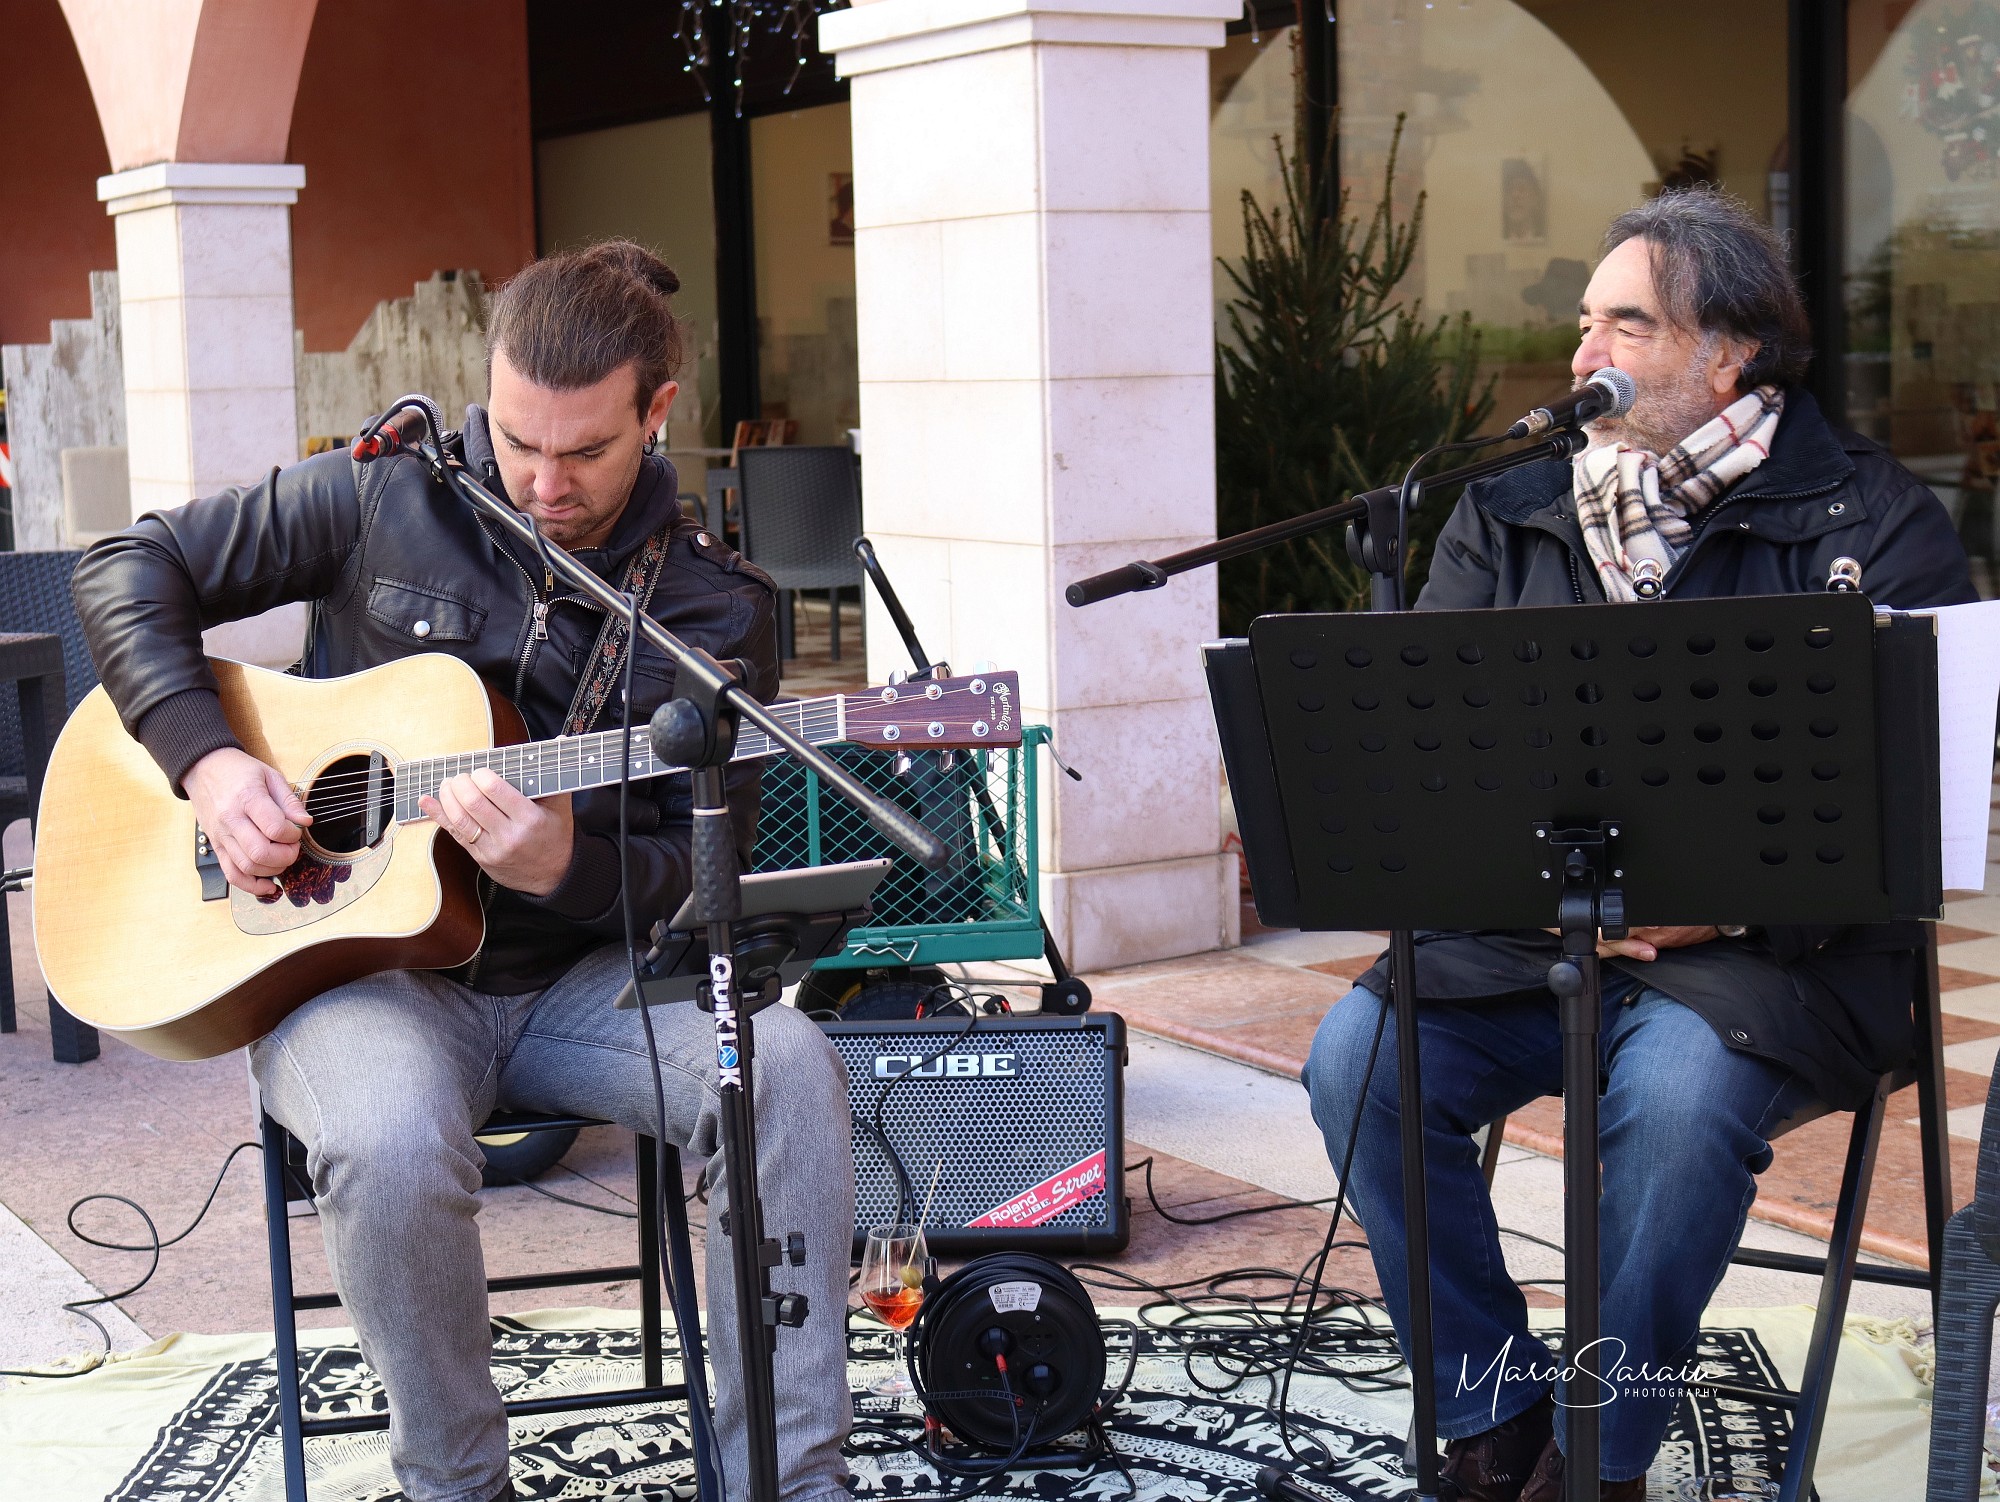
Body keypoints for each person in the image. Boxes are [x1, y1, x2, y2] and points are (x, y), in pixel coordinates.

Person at [71, 241, 855, 1502]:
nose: (540, 481)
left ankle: (784, 1476)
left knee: (792, 1067)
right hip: (354, 974)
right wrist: (210, 766)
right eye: (516, 438)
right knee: (386, 1136)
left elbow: (699, 881)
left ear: (657, 413)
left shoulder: (714, 613)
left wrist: (570, 863)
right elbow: (124, 566)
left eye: (584, 453)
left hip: (582, 984)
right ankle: (457, 1486)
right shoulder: (385, 498)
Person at [1302, 189, 1973, 1502]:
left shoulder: (1877, 524)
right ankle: (1490, 1412)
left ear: (1729, 354)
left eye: (1628, 321)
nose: (1583, 350)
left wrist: (1721, 907)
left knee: (1668, 1107)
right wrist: (1532, 883)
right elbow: (1436, 755)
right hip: (1531, 936)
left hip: (1779, 959)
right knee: (1358, 1057)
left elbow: (1915, 811)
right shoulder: (1510, 509)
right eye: (1583, 320)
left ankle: (1603, 1458)